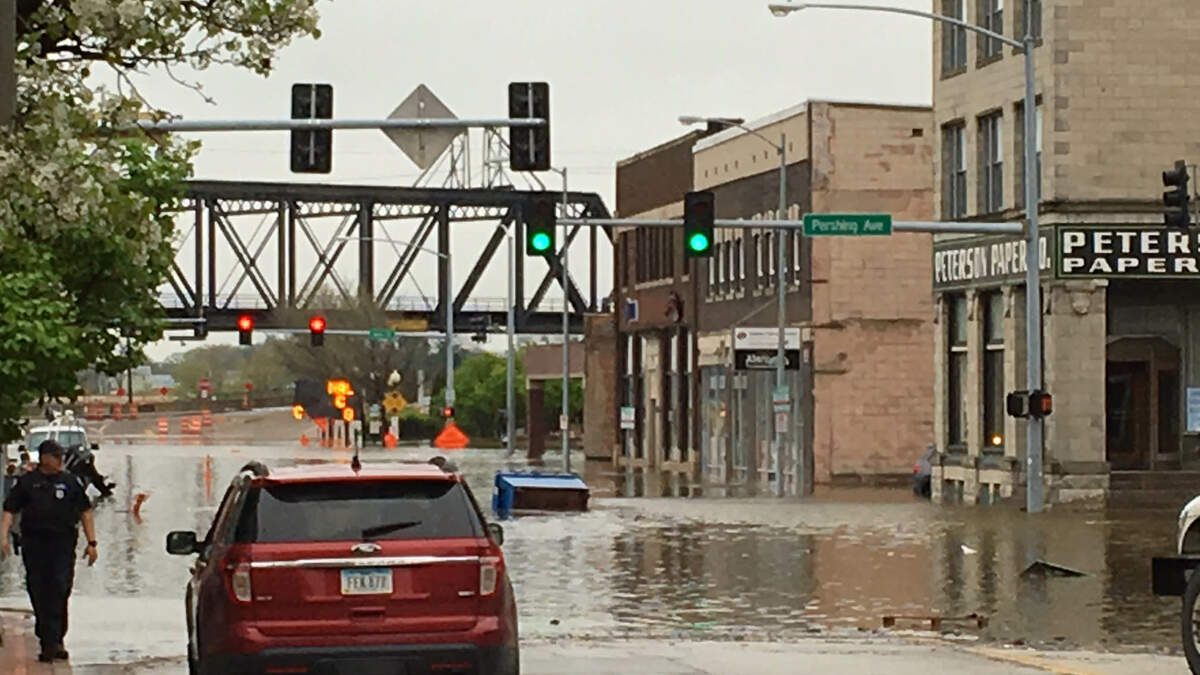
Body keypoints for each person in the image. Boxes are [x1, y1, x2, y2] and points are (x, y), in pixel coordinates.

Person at [0, 439, 98, 662]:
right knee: (38, 589)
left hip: (63, 544)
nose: (60, 461)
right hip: (35, 544)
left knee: (60, 587)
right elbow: (9, 510)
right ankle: (48, 640)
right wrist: (3, 536)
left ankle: (56, 638)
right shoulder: (27, 482)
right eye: (56, 456)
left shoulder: (70, 482)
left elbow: (85, 511)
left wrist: (92, 543)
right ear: (44, 458)